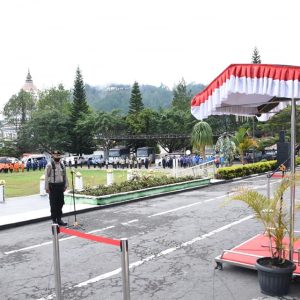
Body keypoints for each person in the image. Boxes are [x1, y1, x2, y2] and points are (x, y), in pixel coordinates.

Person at [45, 150, 68, 226]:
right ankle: (54, 219)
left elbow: (65, 176)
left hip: (60, 186)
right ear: (53, 156)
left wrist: (65, 185)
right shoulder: (49, 165)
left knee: (60, 203)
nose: (57, 157)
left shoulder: (62, 165)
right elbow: (46, 177)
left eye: (58, 156)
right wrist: (47, 187)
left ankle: (59, 219)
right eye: (55, 156)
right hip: (53, 187)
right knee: (53, 204)